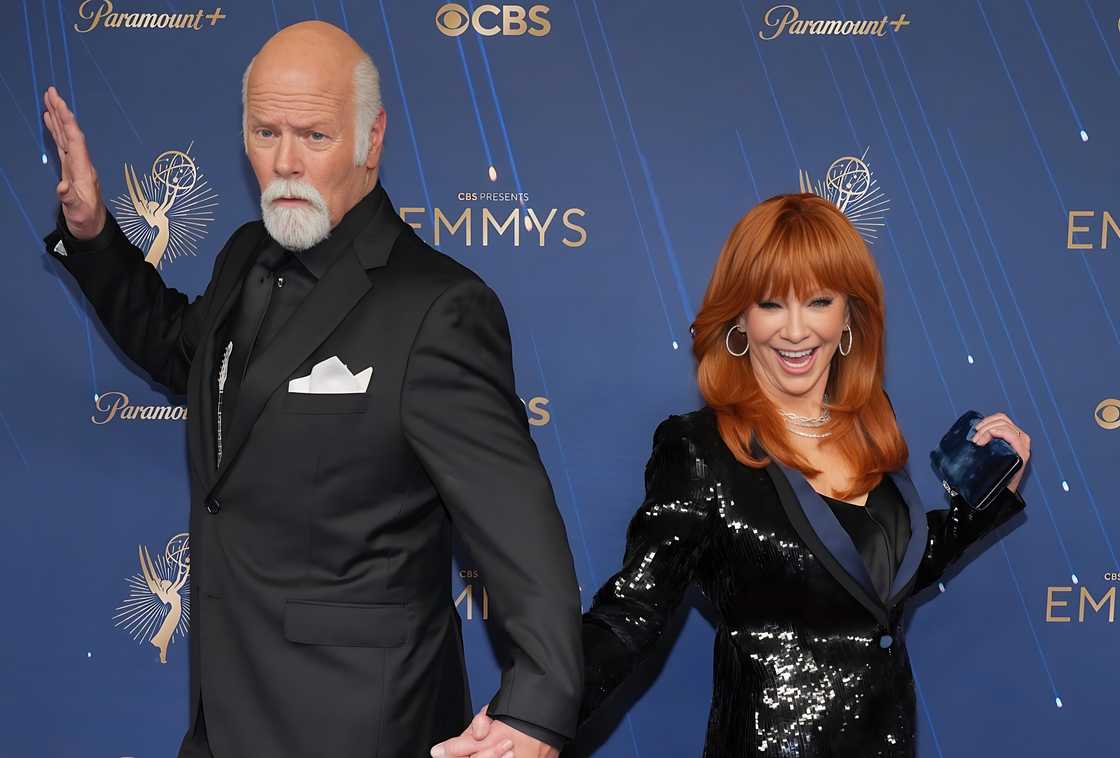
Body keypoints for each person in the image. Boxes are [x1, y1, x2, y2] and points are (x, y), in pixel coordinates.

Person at [41, 20, 581, 758]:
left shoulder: (438, 308)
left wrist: (539, 708)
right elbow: (185, 354)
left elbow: (518, 529)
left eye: (315, 136)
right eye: (265, 133)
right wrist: (96, 233)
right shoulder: (243, 256)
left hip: (364, 725)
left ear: (372, 137)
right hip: (224, 715)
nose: (286, 163)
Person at [435, 193, 1030, 757]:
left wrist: (982, 502)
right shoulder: (699, 451)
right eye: (772, 303)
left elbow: (874, 581)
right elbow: (632, 611)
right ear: (740, 318)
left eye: (819, 301)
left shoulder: (870, 428)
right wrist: (534, 716)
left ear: (851, 316)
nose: (796, 330)